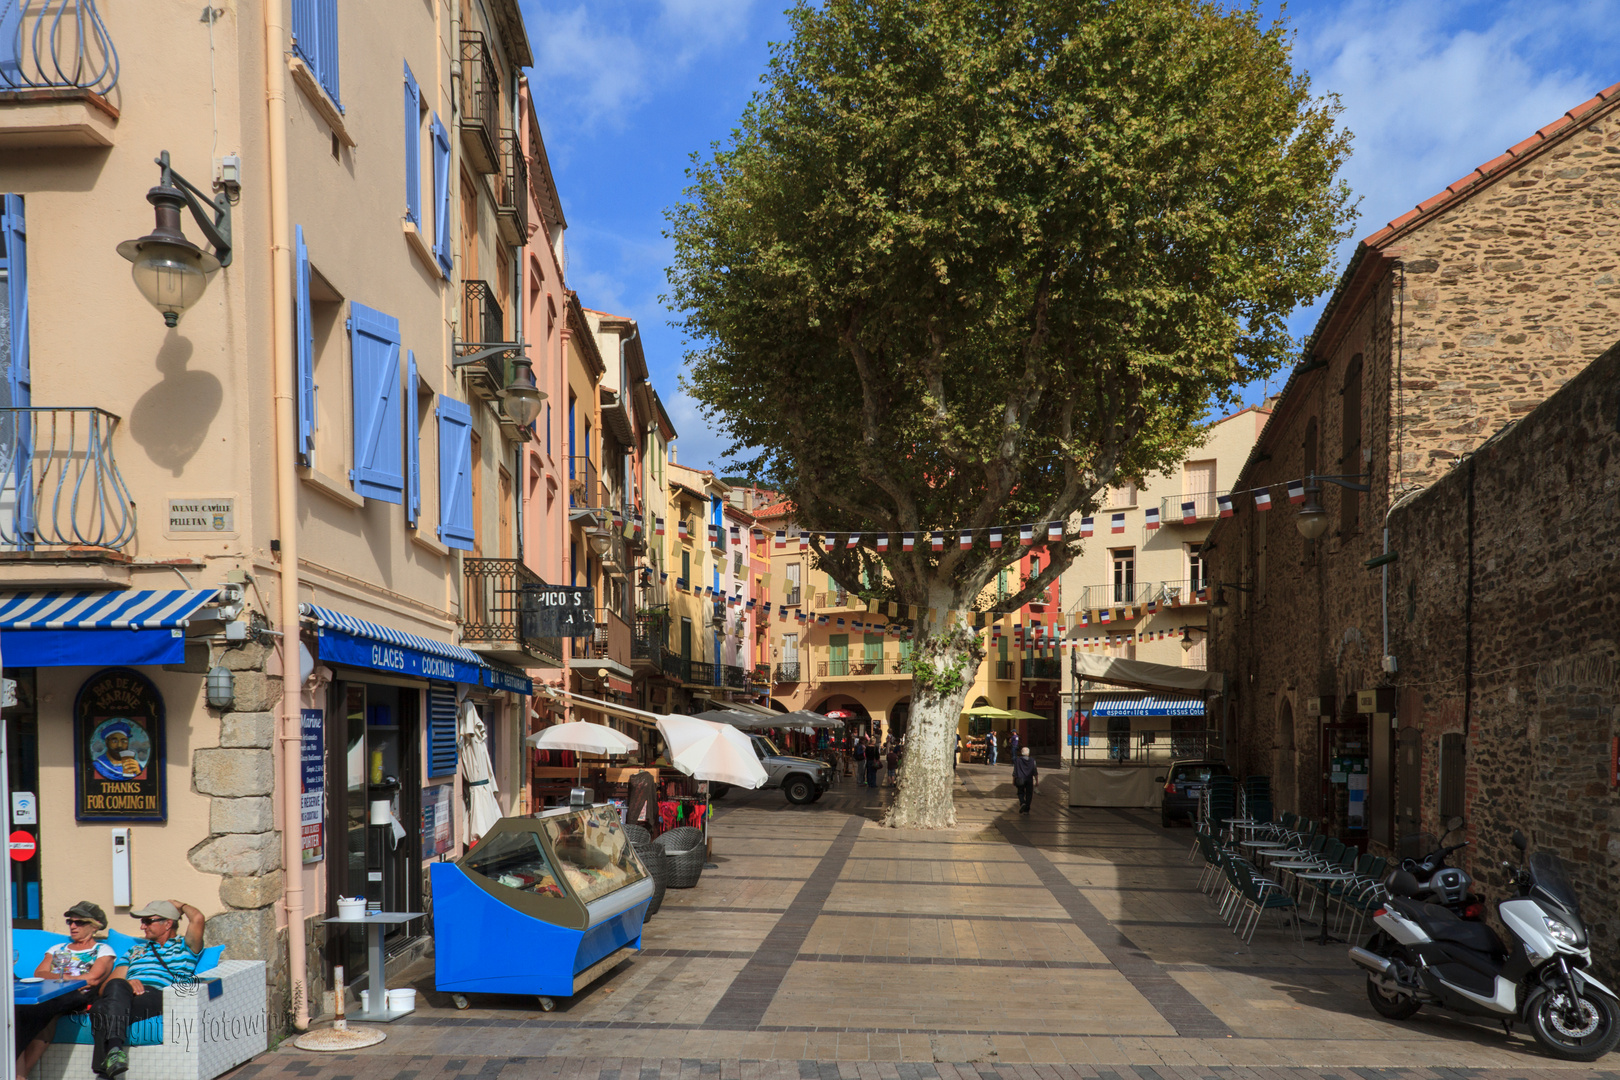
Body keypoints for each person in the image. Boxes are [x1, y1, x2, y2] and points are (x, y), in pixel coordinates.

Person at [88, 899, 206, 1078]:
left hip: (159, 995)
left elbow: (197, 918)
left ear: (167, 924)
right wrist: (128, 982)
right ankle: (114, 1056)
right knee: (101, 1004)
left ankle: (104, 1070)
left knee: (100, 1009)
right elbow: (106, 988)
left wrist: (179, 906)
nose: (142, 927)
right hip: (126, 995)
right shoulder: (135, 951)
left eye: (148, 921)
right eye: (142, 922)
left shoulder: (185, 948)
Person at [15, 901, 115, 1079]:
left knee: (35, 1010)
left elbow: (92, 979)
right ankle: (18, 1074)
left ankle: (16, 1071)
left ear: (94, 926)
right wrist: (70, 979)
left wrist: (59, 978)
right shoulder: (57, 948)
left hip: (79, 995)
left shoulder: (102, 949)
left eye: (80, 922)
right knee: (21, 1011)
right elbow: (39, 972)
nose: (73, 926)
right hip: (49, 993)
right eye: (70, 922)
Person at [1012, 747, 1038, 814]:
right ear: (1028, 753)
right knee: (1029, 794)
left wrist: (1013, 780)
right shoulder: (1032, 760)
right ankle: (1027, 810)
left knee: (1020, 792)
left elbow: (1015, 771)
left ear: (1021, 753)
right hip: (1029, 779)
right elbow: (1035, 771)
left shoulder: (1018, 760)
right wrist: (1037, 781)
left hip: (1020, 778)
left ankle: (1022, 802)